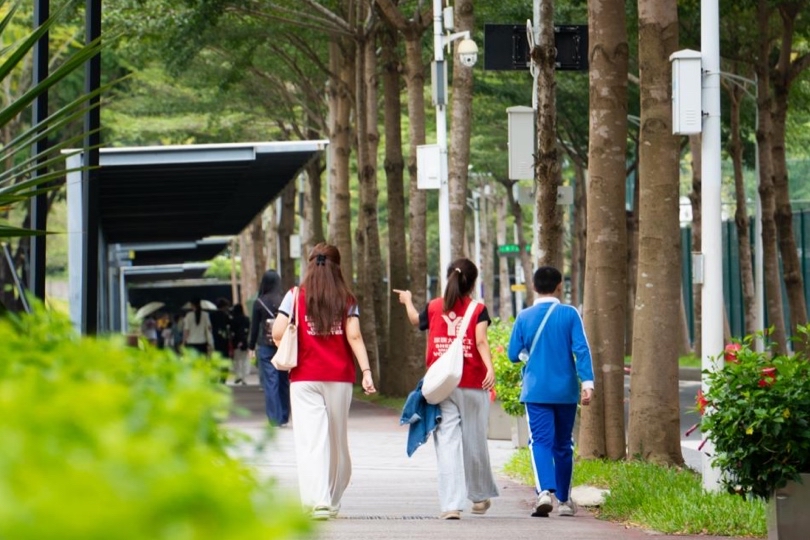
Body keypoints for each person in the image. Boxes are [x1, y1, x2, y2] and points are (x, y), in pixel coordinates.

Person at [272, 243, 376, 521]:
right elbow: (354, 336)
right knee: (336, 440)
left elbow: (278, 332)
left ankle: (317, 501)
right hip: (339, 378)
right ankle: (332, 497)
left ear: (309, 264)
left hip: (304, 378)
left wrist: (295, 345)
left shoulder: (294, 296)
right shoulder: (347, 298)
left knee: (311, 440)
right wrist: (366, 371)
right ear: (337, 266)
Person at [393, 258, 499, 520]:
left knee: (447, 442)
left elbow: (415, 320)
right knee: (474, 440)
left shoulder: (433, 307)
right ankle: (479, 496)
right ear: (472, 282)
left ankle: (451, 505)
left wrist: (407, 300)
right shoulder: (478, 309)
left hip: (442, 384)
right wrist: (490, 369)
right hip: (473, 381)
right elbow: (481, 341)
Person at [506, 266, 594, 518]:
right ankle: (565, 501)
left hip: (535, 391)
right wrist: (588, 384)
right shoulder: (570, 314)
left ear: (534, 287)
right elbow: (581, 349)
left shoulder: (524, 317)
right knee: (564, 444)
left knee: (540, 441)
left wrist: (530, 357)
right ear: (559, 286)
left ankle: (544, 492)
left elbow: (513, 354)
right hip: (565, 391)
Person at [249, 270, 291, 425]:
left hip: (266, 346)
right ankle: (284, 416)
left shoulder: (259, 302)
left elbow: (254, 327)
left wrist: (251, 346)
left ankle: (274, 419)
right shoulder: (284, 301)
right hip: (283, 345)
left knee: (271, 382)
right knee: (284, 381)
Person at [230, 304, 251, 385]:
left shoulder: (233, 320)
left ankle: (238, 376)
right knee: (244, 360)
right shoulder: (246, 319)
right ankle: (243, 377)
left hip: (236, 342)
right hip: (245, 342)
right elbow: (248, 331)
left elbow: (232, 332)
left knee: (237, 361)